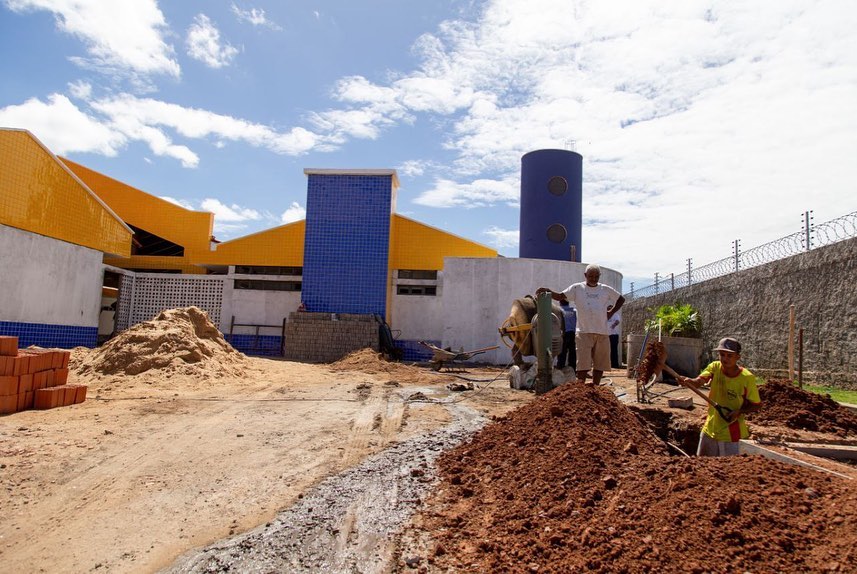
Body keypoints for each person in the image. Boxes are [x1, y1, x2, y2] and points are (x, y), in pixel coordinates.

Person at [536, 264, 624, 385]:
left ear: (599, 276)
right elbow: (561, 296)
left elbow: (621, 299)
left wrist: (611, 312)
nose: (593, 279)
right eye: (590, 276)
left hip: (602, 332)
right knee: (583, 363)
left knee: (600, 363)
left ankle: (595, 388)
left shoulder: (605, 289)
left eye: (596, 276)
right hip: (583, 332)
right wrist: (548, 291)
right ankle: (580, 389)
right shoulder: (577, 288)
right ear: (585, 275)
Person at [676, 337, 761, 457]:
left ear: (738, 357)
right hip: (709, 429)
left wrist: (739, 411)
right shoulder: (715, 367)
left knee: (729, 470)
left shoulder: (747, 378)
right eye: (722, 354)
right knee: (701, 466)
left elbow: (756, 405)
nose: (725, 359)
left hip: (731, 435)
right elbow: (699, 381)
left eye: (729, 356)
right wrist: (689, 381)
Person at [556, 300, 577, 371]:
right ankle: (572, 368)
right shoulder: (574, 311)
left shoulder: (558, 311)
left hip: (563, 334)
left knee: (562, 351)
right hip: (573, 333)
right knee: (572, 351)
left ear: (560, 302)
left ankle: (560, 367)